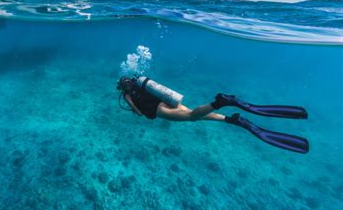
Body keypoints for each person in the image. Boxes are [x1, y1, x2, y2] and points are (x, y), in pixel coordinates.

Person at [117, 76, 309, 153]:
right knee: (193, 114)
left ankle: (220, 102)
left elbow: (137, 111)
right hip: (165, 101)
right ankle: (231, 120)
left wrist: (135, 110)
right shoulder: (139, 83)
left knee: (192, 117)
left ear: (122, 86)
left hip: (159, 110)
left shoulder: (126, 94)